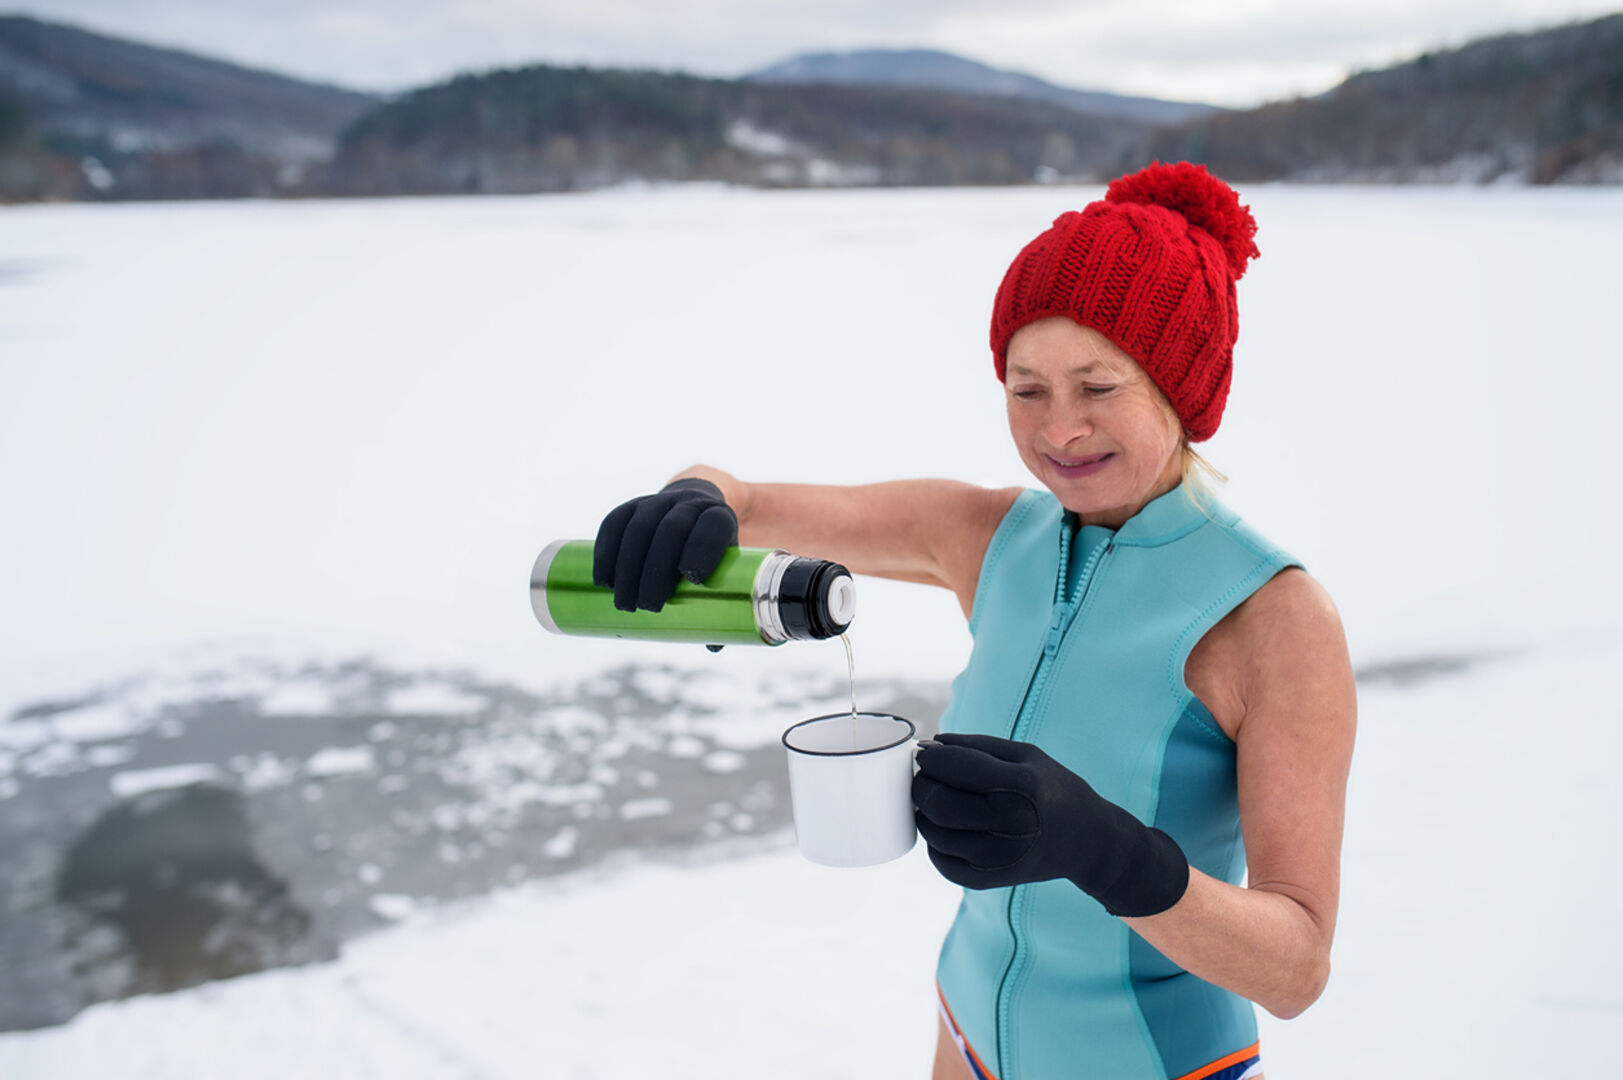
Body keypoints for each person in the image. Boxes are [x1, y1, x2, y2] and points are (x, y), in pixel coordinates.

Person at [592, 161, 1357, 1080]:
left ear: (1176, 388)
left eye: (1098, 386)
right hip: (965, 1037)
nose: (1058, 428)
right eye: (1025, 389)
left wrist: (1104, 849)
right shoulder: (991, 536)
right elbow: (748, 501)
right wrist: (693, 497)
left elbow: (1296, 966)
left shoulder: (1273, 616)